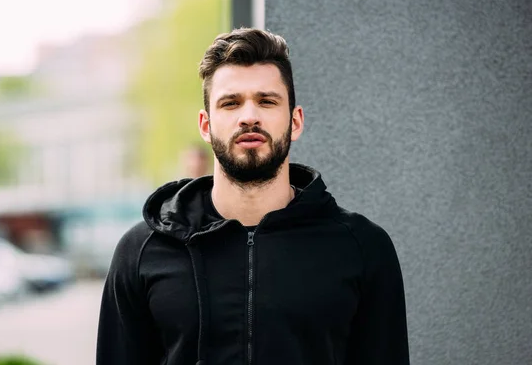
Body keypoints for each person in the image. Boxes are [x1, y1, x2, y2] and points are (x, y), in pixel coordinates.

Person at [97, 28, 410, 364]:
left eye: (266, 100)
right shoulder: (143, 252)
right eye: (231, 103)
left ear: (295, 121)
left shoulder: (362, 248)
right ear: (205, 125)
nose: (249, 116)